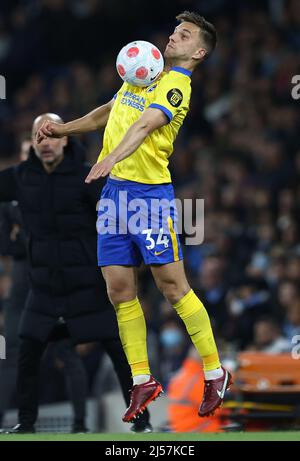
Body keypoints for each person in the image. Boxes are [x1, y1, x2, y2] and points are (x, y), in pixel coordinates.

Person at [37, 12, 232, 422]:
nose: (173, 37)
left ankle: (215, 372)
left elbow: (145, 125)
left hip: (148, 198)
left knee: (173, 287)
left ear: (198, 51)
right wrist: (64, 130)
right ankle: (142, 379)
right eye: (174, 30)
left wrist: (109, 158)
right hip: (114, 198)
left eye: (184, 35)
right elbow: (108, 111)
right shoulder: (144, 70)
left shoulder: (177, 84)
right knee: (119, 290)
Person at [0, 114, 151, 433]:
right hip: (43, 291)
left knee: (119, 350)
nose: (46, 143)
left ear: (66, 139)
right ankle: (26, 424)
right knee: (27, 349)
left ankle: (142, 421)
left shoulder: (89, 177)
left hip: (88, 287)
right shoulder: (20, 177)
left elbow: (122, 214)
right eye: (39, 137)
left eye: (52, 135)